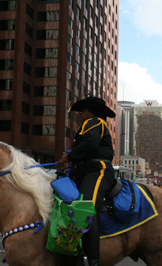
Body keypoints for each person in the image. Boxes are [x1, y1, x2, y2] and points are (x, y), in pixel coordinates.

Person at [57, 96, 116, 266]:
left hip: (98, 170)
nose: (80, 114)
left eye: (82, 111)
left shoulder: (94, 122)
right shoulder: (88, 125)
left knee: (87, 208)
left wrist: (69, 156)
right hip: (86, 171)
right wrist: (73, 167)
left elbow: (91, 144)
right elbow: (86, 152)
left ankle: (93, 261)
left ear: (92, 112)